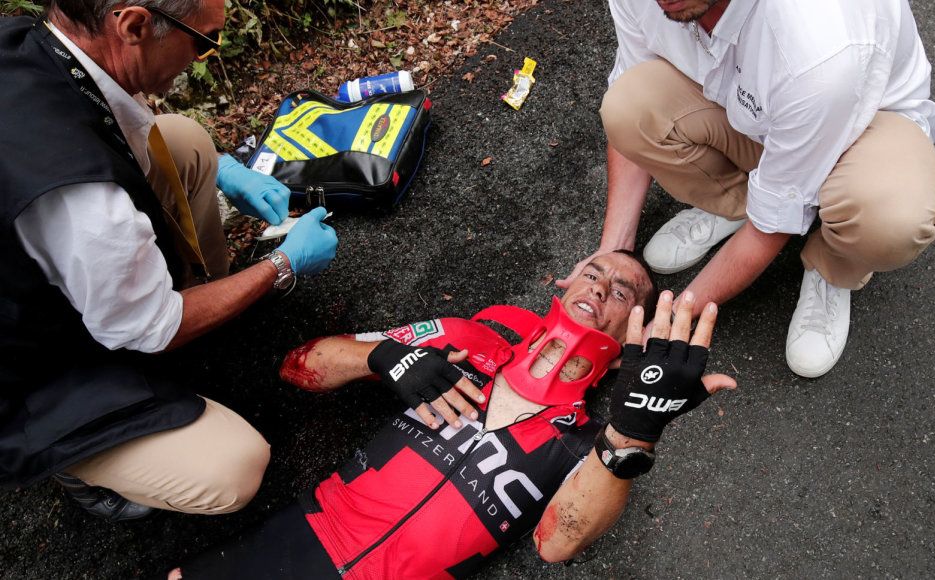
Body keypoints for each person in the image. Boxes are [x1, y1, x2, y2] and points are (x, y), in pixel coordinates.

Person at [167, 251, 736, 579]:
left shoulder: (586, 442)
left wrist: (633, 432)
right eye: (593, 272)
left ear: (634, 330)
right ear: (563, 285)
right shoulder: (471, 338)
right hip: (310, 534)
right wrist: (384, 355)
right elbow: (300, 366)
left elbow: (557, 545)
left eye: (623, 292)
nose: (603, 286)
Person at [0, 1, 339, 521]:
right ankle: (73, 465)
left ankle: (205, 297)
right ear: (134, 25)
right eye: (202, 39)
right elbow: (148, 327)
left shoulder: (35, 42)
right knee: (233, 468)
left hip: (34, 277)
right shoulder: (87, 206)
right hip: (27, 377)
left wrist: (225, 169)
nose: (203, 55)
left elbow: (104, 108)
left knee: (184, 142)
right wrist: (281, 265)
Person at [560, 0, 935, 378]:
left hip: (864, 126)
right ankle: (740, 203)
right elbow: (633, 89)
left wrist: (670, 321)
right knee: (628, 105)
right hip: (762, 109)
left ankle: (833, 265)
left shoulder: (817, 44)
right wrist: (610, 255)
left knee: (890, 219)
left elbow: (770, 229)